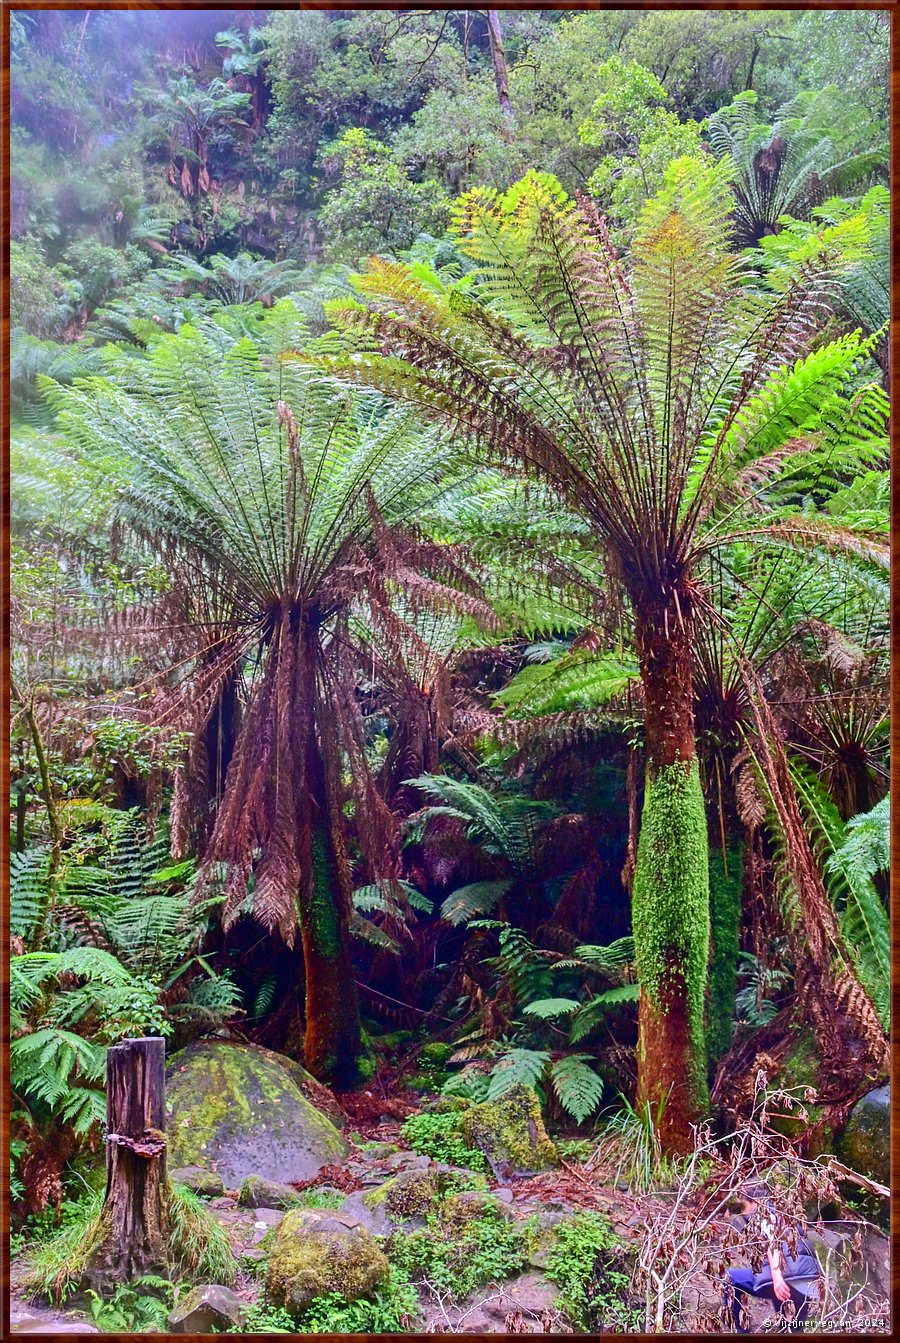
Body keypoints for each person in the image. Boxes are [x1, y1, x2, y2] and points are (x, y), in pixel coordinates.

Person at [723, 1182, 822, 1333]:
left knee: (730, 1279)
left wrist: (777, 1278)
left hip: (786, 1280)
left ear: (754, 1201)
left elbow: (773, 1242)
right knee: (792, 1330)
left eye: (742, 1205)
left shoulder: (764, 1214)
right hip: (806, 1284)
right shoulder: (786, 1215)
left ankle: (740, 1331)